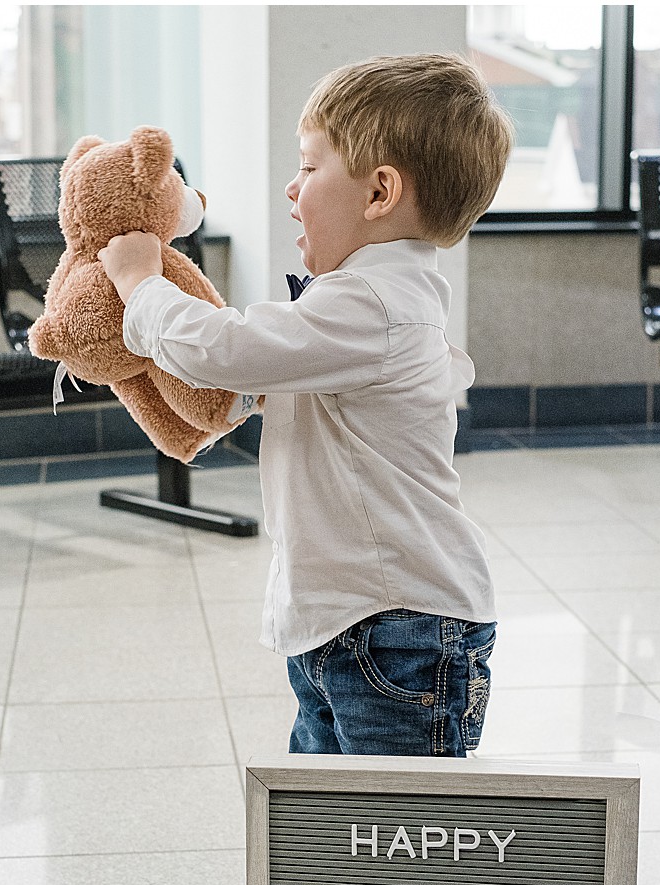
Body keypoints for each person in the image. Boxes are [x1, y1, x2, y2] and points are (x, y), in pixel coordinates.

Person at [98, 54, 513, 757]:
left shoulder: (374, 302)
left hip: (396, 628)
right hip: (352, 624)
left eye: (310, 168)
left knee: (393, 831)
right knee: (325, 820)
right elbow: (276, 383)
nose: (292, 189)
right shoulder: (363, 301)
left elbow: (225, 348)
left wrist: (141, 284)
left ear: (380, 192)